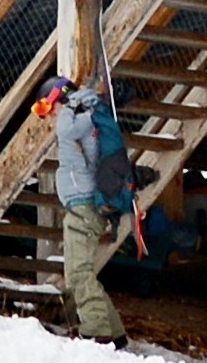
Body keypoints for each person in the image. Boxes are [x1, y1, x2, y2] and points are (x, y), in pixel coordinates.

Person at [31, 72, 132, 342]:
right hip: (82, 205)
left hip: (83, 206)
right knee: (81, 271)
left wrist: (68, 104)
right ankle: (114, 332)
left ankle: (97, 332)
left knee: (77, 273)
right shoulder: (83, 115)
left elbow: (65, 130)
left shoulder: (78, 118)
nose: (47, 116)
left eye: (45, 107)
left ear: (58, 99)